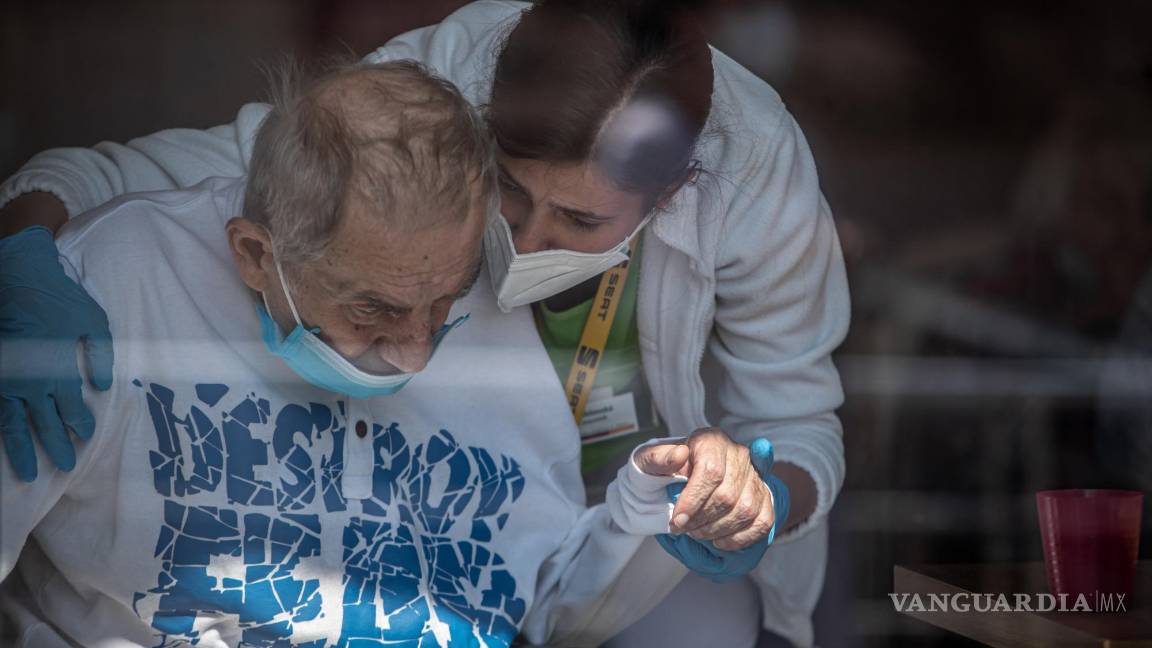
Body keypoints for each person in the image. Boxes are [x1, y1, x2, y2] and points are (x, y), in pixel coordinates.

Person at [0, 0, 848, 645]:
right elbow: (250, 176)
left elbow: (797, 416)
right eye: (508, 195)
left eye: (581, 223)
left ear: (669, 198)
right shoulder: (443, 90)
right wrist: (29, 251)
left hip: (617, 520)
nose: (523, 242)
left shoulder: (756, 169)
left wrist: (749, 500)